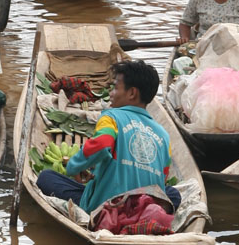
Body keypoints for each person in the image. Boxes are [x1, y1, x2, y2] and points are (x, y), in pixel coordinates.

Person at [37, 60, 179, 213]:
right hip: (145, 209)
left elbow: (102, 143)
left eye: (115, 88)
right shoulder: (163, 135)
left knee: (46, 178)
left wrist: (74, 165)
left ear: (132, 93)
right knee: (173, 194)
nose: (111, 94)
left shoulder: (111, 117)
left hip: (107, 209)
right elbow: (162, 180)